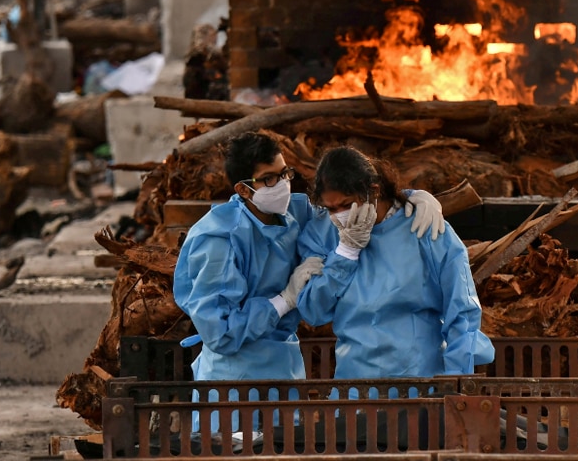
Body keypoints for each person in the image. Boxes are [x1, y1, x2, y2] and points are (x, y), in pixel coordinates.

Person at [172, 133, 445, 435]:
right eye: (269, 179)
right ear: (243, 189)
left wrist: (410, 196)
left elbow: (348, 199)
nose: (282, 185)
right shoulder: (218, 240)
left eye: (284, 173)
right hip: (232, 380)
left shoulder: (293, 212)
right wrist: (284, 300)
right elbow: (220, 334)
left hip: (285, 368)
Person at [296, 146, 495, 380]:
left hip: (421, 382)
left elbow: (462, 311)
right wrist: (344, 254)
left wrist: (457, 379)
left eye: (346, 204)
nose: (338, 215)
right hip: (355, 386)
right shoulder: (323, 233)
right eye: (331, 208)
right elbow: (313, 310)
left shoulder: (423, 227)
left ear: (374, 191)